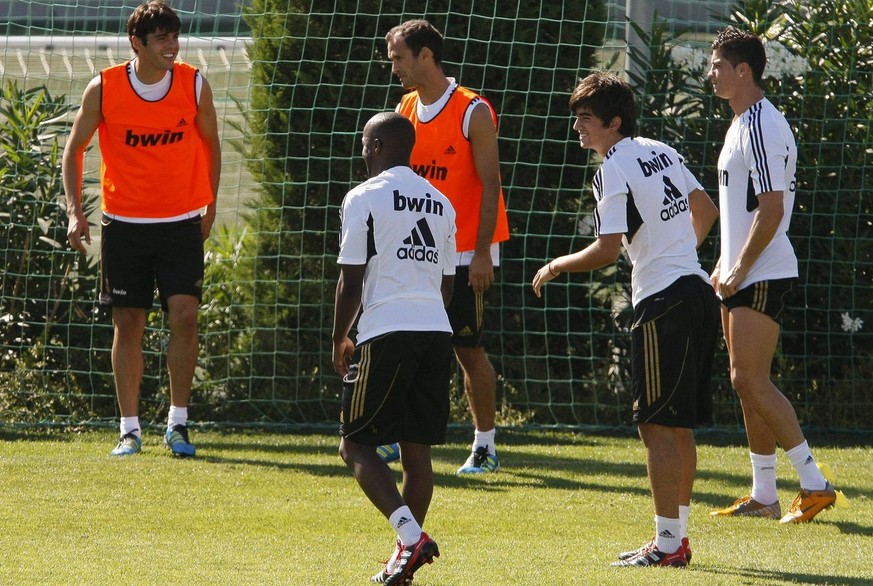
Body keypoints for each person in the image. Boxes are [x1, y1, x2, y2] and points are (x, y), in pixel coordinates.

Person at [532, 72, 720, 567]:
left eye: (586, 119)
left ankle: (666, 544)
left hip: (664, 301)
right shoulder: (659, 147)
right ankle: (674, 538)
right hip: (697, 292)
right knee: (677, 428)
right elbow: (706, 209)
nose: (578, 128)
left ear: (614, 122)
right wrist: (679, 253)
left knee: (655, 426)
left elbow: (607, 248)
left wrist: (555, 265)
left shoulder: (612, 166)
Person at [63, 0, 221, 458]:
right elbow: (74, 151)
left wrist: (208, 207)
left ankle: (178, 424)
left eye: (175, 37)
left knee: (185, 316)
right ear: (137, 43)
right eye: (162, 39)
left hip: (180, 225)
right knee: (128, 322)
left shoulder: (194, 85)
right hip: (125, 226)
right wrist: (76, 211)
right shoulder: (105, 87)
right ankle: (129, 429)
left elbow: (212, 147)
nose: (172, 46)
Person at [706, 27, 838, 523]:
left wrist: (739, 267)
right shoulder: (740, 122)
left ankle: (814, 482)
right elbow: (742, 209)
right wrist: (725, 264)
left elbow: (772, 209)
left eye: (718, 65)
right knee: (744, 383)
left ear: (744, 71)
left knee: (749, 377)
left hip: (763, 270)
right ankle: (764, 494)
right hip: (740, 271)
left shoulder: (763, 124)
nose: (710, 73)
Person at [381, 19, 510, 474]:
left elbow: (491, 182)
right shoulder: (406, 108)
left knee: (467, 349)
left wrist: (479, 254)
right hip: (419, 253)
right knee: (407, 340)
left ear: (426, 57)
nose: (392, 65)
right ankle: (398, 436)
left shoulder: (472, 109)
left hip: (463, 256)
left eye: (398, 56)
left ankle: (485, 446)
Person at [332, 112, 457, 585]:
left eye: (365, 144)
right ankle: (403, 564)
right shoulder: (441, 202)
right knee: (416, 451)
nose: (363, 152)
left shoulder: (363, 197)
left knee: (355, 444)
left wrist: (340, 335)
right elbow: (448, 283)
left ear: (379, 144)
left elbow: (351, 277)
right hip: (436, 331)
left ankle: (410, 538)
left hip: (387, 330)